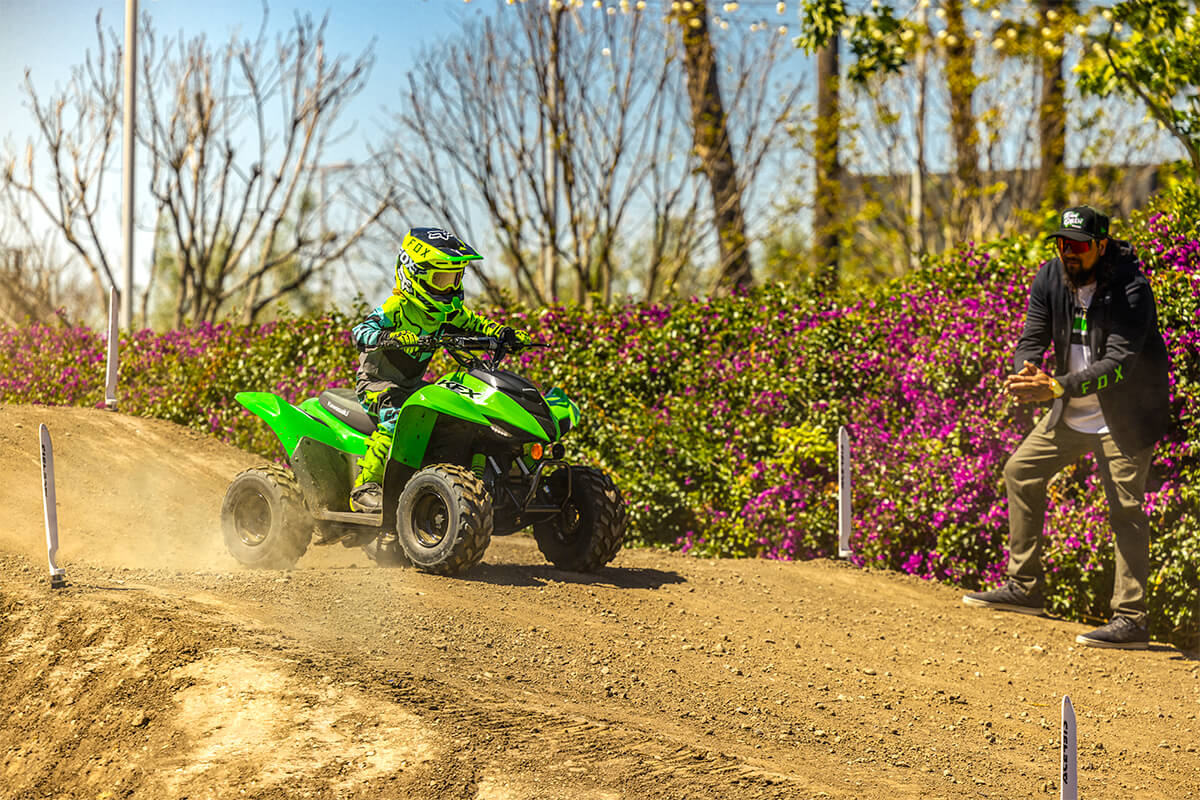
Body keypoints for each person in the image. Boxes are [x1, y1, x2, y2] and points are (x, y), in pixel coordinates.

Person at [962, 205, 1171, 650]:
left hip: (1125, 417)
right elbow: (1031, 337)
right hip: (1069, 410)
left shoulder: (1131, 288)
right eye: (1061, 244)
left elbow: (1119, 364)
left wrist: (1055, 387)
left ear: (1100, 245)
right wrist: (1026, 373)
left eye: (1076, 246)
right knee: (1020, 472)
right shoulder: (1051, 278)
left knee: (1126, 511)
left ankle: (1131, 619)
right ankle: (1024, 587)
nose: (1067, 254)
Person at [348, 227, 530, 514]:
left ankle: (445, 483)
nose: (450, 287)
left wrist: (504, 333)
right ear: (414, 274)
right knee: (395, 420)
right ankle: (366, 487)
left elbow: (477, 323)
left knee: (453, 416)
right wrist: (389, 337)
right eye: (442, 278)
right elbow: (360, 331)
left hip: (412, 386)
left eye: (455, 278)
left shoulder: (448, 312)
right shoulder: (398, 307)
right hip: (377, 385)